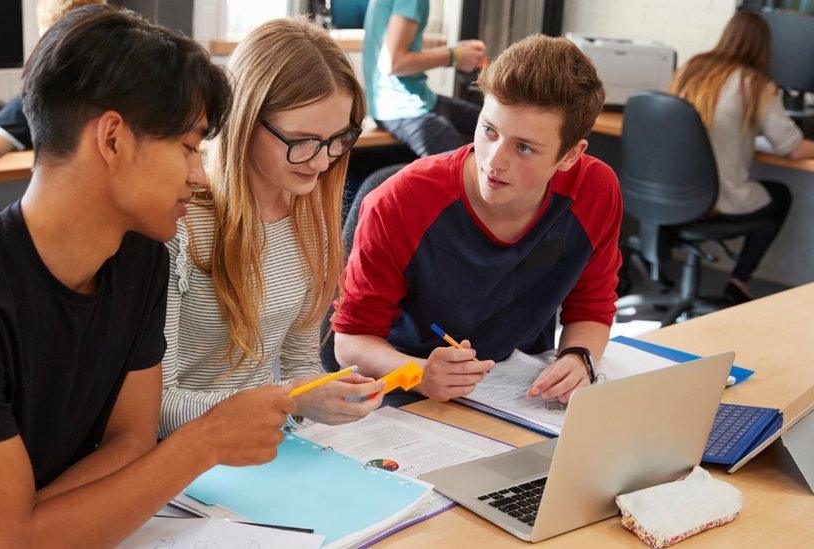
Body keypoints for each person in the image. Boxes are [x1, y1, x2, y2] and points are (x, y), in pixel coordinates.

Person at [0, 6, 293, 548]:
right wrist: (203, 443)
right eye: (188, 148)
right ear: (112, 140)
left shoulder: (141, 256)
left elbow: (130, 443)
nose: (198, 176)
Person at [332, 35, 622, 406]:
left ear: (569, 155)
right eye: (489, 131)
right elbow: (350, 343)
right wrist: (419, 374)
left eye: (523, 148)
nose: (494, 161)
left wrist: (579, 357)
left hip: (519, 390)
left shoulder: (595, 189)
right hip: (410, 395)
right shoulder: (399, 202)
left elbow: (592, 305)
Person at [159, 18, 384, 437]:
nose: (321, 162)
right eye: (301, 140)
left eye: (339, 139)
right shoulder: (180, 225)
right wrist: (288, 398)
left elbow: (299, 366)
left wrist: (323, 396)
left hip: (263, 444)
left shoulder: (309, 219)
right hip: (182, 456)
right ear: (244, 122)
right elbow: (155, 407)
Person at [670, 10, 814, 304]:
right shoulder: (754, 83)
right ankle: (739, 281)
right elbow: (794, 148)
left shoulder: (691, 69)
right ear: (764, 47)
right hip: (715, 201)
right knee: (781, 195)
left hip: (670, 195)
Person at [0, 0, 106, 187]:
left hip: (53, 215)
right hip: (100, 213)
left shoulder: (37, 100)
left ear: (47, 37)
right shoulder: (118, 94)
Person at [362, 0, 486, 157]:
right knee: (465, 166)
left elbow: (400, 50)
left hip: (414, 100)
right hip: (402, 108)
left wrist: (456, 51)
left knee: (492, 125)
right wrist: (454, 56)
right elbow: (393, 63)